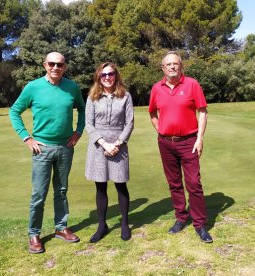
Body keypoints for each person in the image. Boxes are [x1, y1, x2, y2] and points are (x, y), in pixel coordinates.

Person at [9, 52, 85, 253]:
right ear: (45, 65)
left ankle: (61, 228)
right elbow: (14, 111)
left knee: (61, 190)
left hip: (65, 148)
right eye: (51, 64)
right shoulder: (33, 87)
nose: (55, 68)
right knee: (39, 194)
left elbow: (83, 110)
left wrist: (78, 132)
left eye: (59, 64)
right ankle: (34, 234)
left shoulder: (72, 87)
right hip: (41, 148)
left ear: (64, 67)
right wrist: (26, 137)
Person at [148, 51, 213, 243]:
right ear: (163, 68)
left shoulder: (191, 84)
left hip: (189, 142)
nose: (172, 67)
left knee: (194, 183)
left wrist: (199, 139)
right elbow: (152, 113)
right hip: (166, 143)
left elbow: (203, 112)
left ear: (181, 66)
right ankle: (180, 217)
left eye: (175, 64)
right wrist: (161, 130)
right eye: (168, 64)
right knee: (174, 183)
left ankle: (200, 224)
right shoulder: (156, 88)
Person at [85, 62, 134, 242]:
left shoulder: (125, 96)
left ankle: (124, 224)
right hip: (98, 146)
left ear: (116, 75)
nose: (107, 77)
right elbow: (89, 124)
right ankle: (102, 225)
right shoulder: (92, 96)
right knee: (101, 186)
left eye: (110, 74)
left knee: (121, 184)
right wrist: (105, 144)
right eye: (103, 74)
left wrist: (118, 143)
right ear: (99, 76)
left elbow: (129, 122)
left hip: (119, 146)